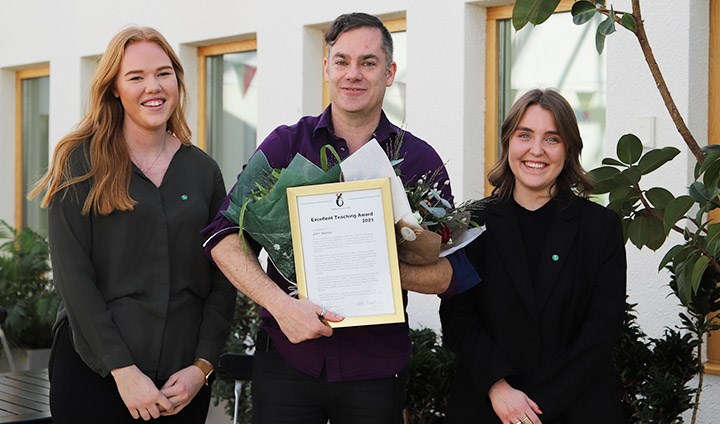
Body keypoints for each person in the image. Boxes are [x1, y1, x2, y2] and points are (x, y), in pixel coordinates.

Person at [201, 12, 479, 424]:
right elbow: (224, 238)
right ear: (327, 66)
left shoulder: (420, 161)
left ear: (389, 72)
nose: (354, 74)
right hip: (288, 360)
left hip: (376, 369)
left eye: (368, 62)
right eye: (343, 61)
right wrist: (281, 306)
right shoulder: (284, 147)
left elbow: (449, 274)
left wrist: (372, 265)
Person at [29, 26, 236, 423]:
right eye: (136, 77)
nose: (152, 87)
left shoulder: (203, 171)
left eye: (163, 73)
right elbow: (74, 279)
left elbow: (224, 277)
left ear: (177, 78)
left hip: (181, 387)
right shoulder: (79, 164)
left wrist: (202, 367)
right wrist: (122, 371)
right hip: (95, 376)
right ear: (114, 89)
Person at [439, 88, 626, 424]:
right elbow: (458, 318)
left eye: (552, 139)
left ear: (568, 150)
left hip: (577, 406)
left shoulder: (601, 227)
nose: (536, 151)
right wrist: (499, 388)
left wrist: (536, 406)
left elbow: (602, 329)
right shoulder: (470, 223)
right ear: (508, 142)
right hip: (489, 406)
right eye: (525, 135)